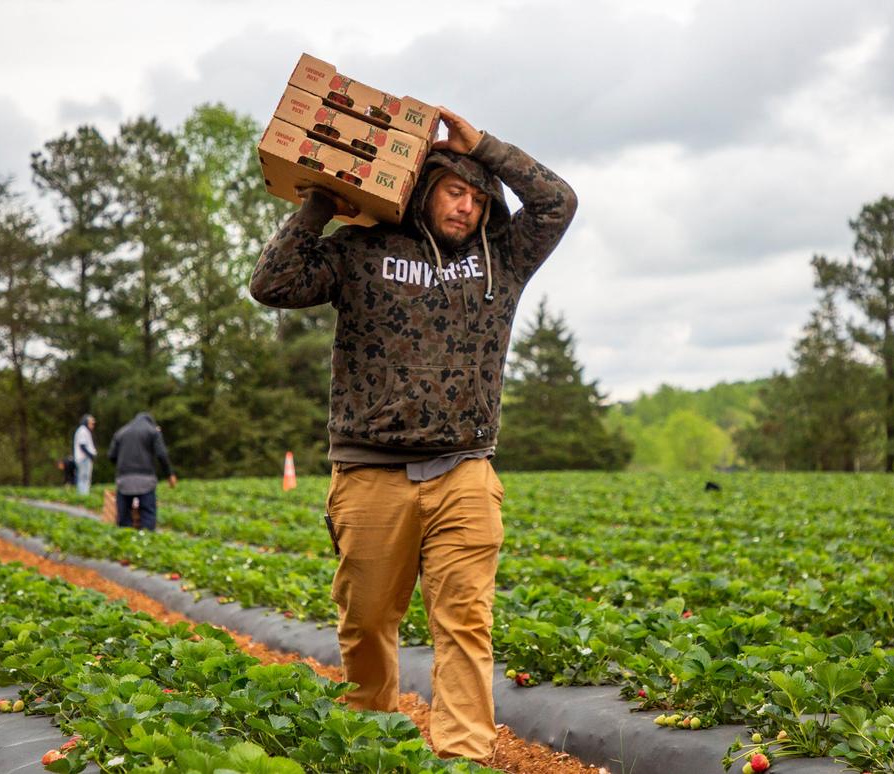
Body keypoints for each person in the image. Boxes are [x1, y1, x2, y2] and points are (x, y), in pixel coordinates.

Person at [249, 107, 577, 762]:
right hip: (371, 473)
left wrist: (484, 148)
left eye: (480, 199)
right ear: (424, 189)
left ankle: (462, 757)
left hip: (464, 472)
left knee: (465, 624)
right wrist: (319, 202)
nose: (468, 208)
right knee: (367, 624)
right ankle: (371, 746)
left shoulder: (501, 260)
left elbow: (556, 201)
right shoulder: (360, 250)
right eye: (457, 191)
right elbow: (273, 283)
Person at [107, 412, 177, 530]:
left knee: (124, 518)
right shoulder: (153, 431)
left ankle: (125, 541)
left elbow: (111, 456)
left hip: (124, 480)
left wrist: (123, 467)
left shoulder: (121, 432)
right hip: (146, 480)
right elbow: (162, 454)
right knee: (148, 514)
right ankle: (147, 540)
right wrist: (170, 474)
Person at [72, 414, 97, 495]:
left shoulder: (84, 431)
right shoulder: (83, 431)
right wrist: (90, 455)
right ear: (86, 422)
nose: (93, 425)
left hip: (84, 458)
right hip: (84, 459)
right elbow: (82, 445)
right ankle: (83, 495)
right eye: (91, 423)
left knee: (84, 478)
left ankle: (83, 494)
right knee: (84, 478)